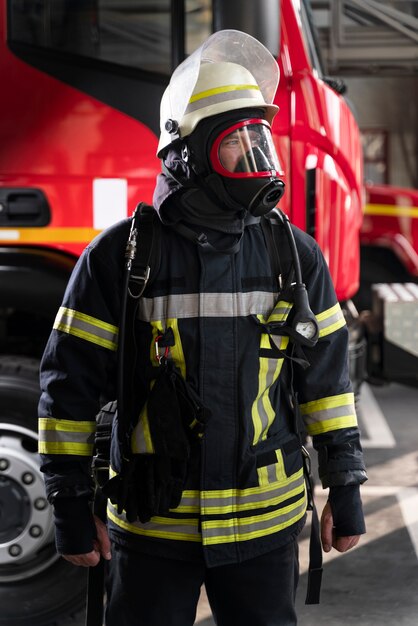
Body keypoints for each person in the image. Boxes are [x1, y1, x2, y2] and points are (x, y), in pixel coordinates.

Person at [38, 29, 367, 626]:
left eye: (259, 139)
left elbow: (327, 384)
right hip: (153, 523)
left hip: (265, 528)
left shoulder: (294, 254)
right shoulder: (118, 258)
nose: (255, 158)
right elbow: (68, 392)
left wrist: (344, 487)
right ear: (186, 155)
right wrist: (68, 503)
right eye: (235, 142)